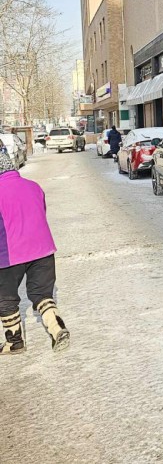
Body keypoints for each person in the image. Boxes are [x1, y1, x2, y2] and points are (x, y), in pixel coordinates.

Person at [0, 150, 70, 354]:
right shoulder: (33, 186)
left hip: (9, 253)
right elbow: (42, 212)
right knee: (42, 294)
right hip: (43, 249)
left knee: (6, 298)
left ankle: (15, 342)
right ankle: (57, 329)